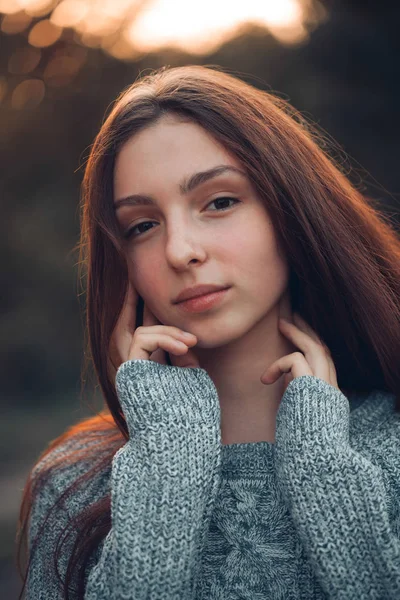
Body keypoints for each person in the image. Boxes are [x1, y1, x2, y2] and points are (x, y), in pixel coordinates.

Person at [16, 64, 400, 599]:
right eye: (142, 226)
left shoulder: (392, 450)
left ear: (292, 210)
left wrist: (328, 480)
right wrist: (167, 462)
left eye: (219, 202)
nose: (180, 250)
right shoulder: (73, 486)